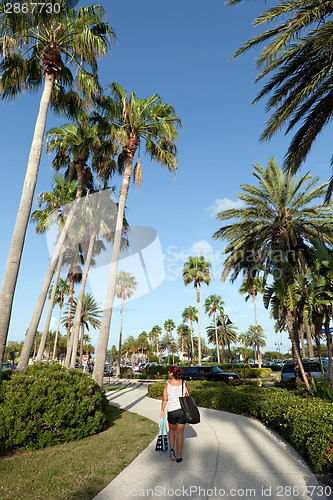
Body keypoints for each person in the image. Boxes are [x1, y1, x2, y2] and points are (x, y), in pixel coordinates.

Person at [160, 366, 189, 463]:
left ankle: (172, 449)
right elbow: (188, 395)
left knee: (171, 430)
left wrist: (162, 410)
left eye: (169, 372)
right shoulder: (184, 383)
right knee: (180, 434)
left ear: (172, 373)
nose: (168, 374)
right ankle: (179, 457)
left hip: (171, 411)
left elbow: (165, 399)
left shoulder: (167, 384)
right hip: (182, 411)